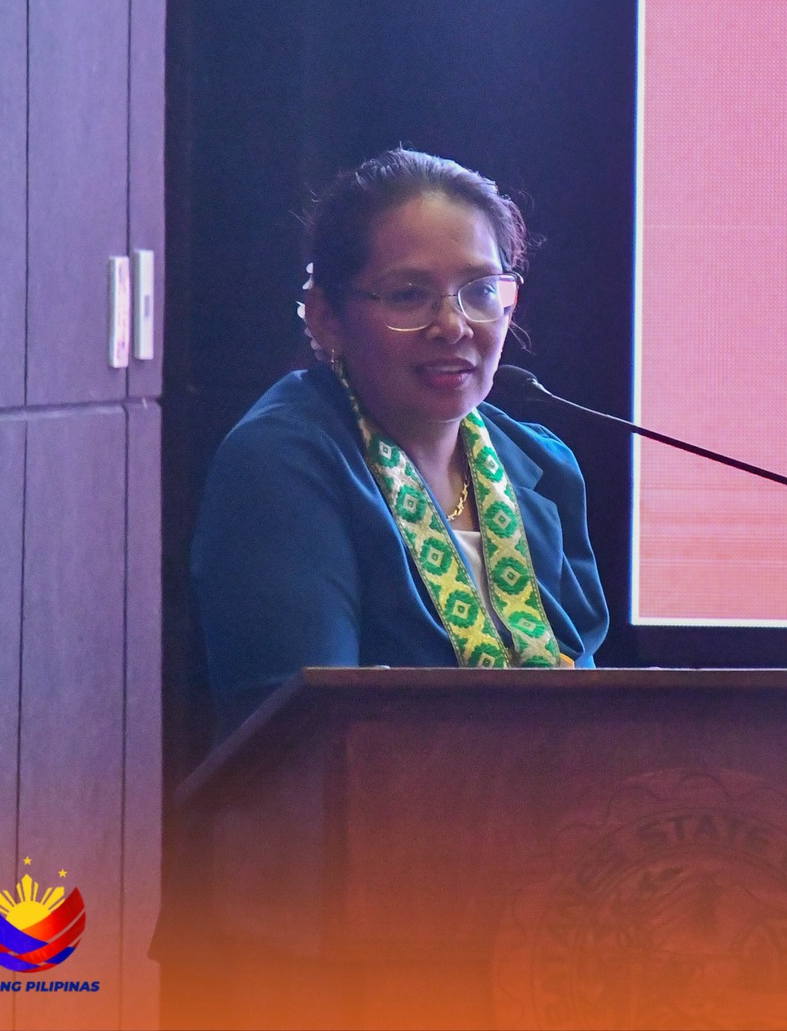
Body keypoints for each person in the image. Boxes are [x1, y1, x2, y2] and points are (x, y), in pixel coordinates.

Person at [189, 148, 608, 736]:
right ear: (326, 316)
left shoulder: (542, 463)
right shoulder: (281, 463)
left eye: (481, 291)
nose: (454, 326)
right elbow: (306, 744)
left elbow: (599, 711)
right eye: (409, 295)